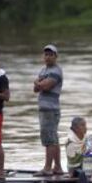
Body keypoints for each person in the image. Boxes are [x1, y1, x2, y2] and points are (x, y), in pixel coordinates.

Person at [33, 44, 64, 176]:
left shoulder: (56, 71)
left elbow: (45, 86)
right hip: (44, 109)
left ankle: (47, 168)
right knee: (53, 139)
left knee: (49, 139)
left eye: (51, 54)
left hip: (51, 110)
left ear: (56, 57)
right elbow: (35, 89)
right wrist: (38, 84)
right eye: (46, 54)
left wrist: (38, 83)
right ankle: (57, 167)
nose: (48, 57)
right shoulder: (43, 70)